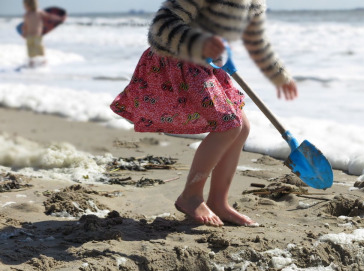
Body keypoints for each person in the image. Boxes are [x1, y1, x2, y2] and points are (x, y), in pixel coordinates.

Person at [110, 0, 298, 227]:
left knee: (241, 128)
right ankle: (191, 196)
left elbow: (256, 39)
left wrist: (279, 73)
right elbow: (160, 29)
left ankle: (219, 202)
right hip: (177, 62)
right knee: (229, 124)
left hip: (207, 66)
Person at [22, 0, 46, 67]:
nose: (24, 7)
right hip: (37, 35)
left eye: (25, 5)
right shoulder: (39, 12)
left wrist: (24, 33)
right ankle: (43, 62)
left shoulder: (27, 14)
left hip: (30, 35)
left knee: (31, 49)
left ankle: (32, 63)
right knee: (39, 48)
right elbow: (47, 17)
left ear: (29, 5)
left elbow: (25, 26)